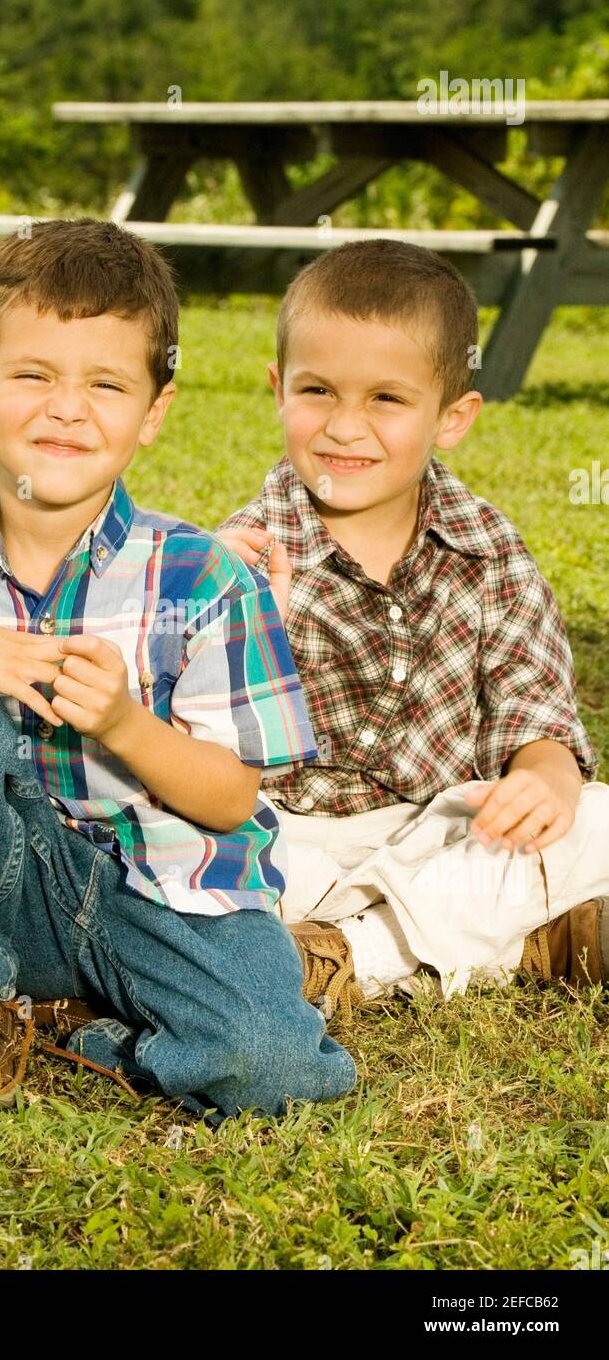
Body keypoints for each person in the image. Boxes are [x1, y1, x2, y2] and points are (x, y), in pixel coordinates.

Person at [0, 219, 356, 1121]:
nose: (65, 408)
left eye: (106, 383)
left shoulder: (202, 576)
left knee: (272, 1067)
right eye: (32, 374)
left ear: (152, 412)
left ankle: (84, 1029)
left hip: (167, 899)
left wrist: (123, 722)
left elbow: (232, 799)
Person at [216, 239, 609, 1017]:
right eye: (317, 391)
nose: (344, 427)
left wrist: (546, 777)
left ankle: (337, 958)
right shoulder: (238, 556)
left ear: (452, 417)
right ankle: (520, 943)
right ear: (278, 391)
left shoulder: (487, 547)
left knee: (595, 820)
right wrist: (213, 621)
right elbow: (188, 751)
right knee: (157, 862)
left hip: (438, 834)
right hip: (281, 839)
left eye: (386, 400)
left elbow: (534, 706)